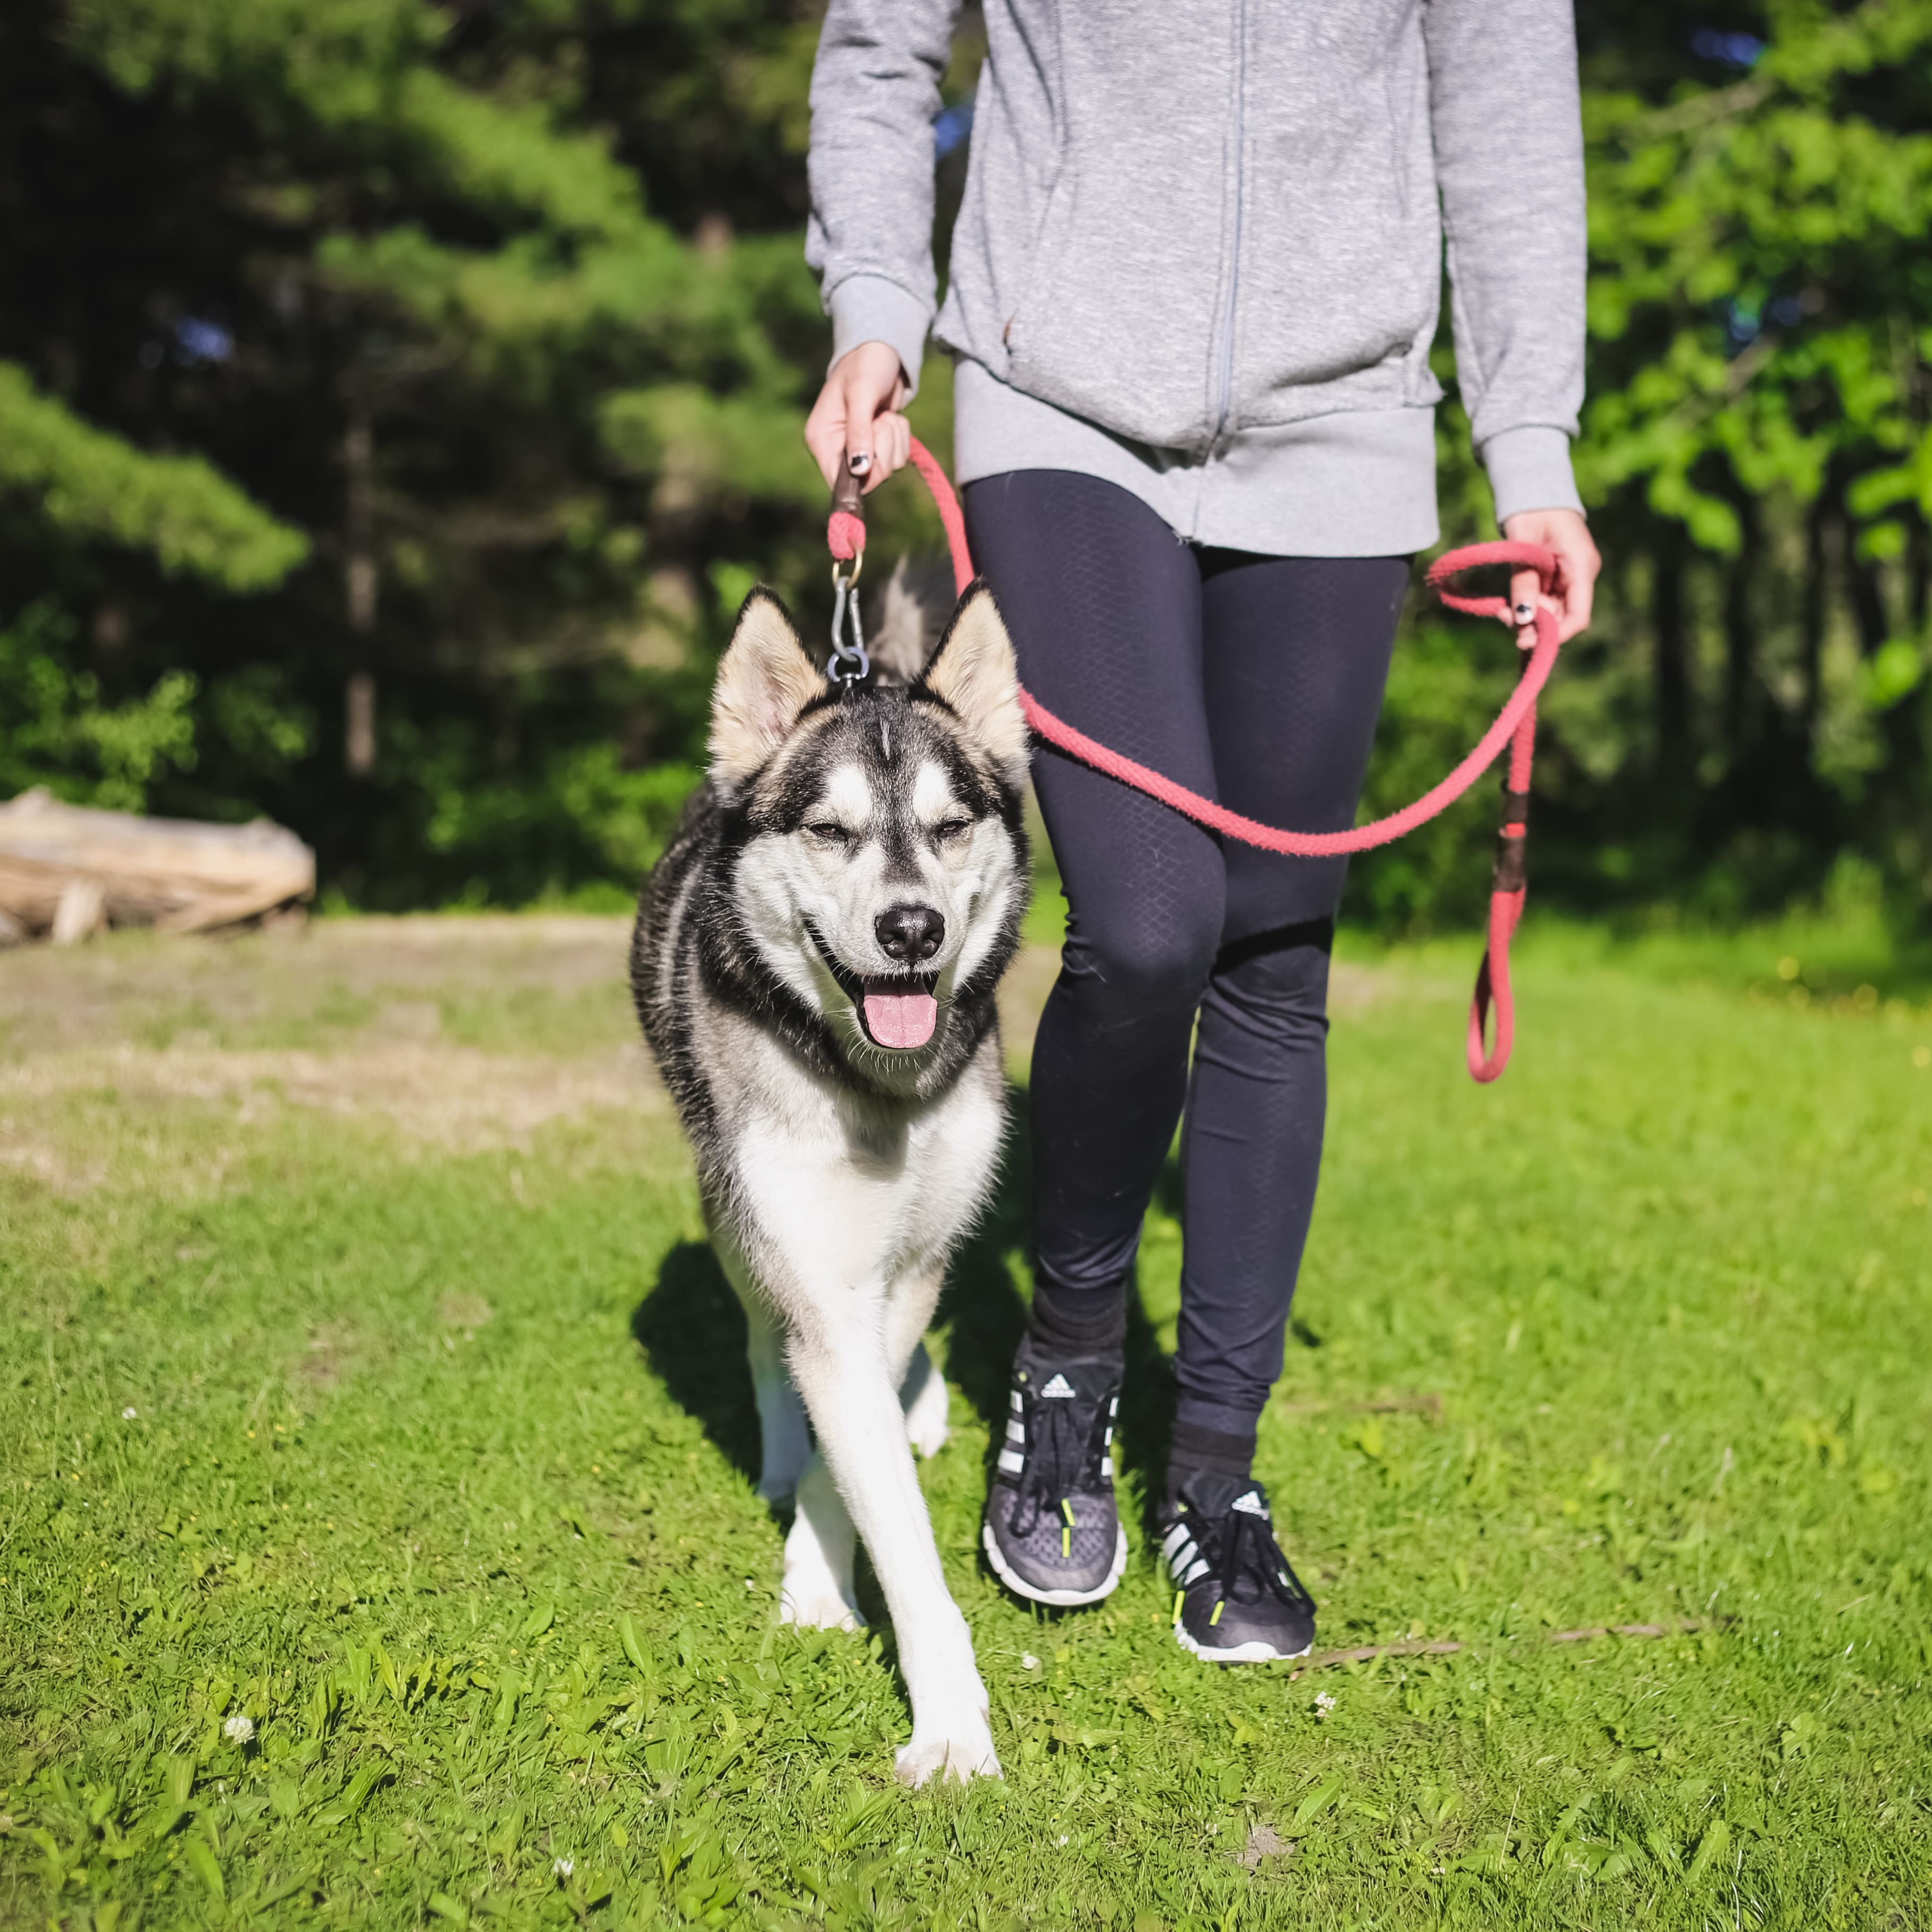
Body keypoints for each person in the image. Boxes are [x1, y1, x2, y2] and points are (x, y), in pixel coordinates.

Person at [802, 0, 1598, 1663]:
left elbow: (1508, 111)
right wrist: (878, 303)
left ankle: (1218, 1482)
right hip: (1059, 387)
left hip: (1345, 428)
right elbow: (885, 43)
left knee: (1271, 953)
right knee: (1151, 917)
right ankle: (1069, 1368)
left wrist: (1530, 452)